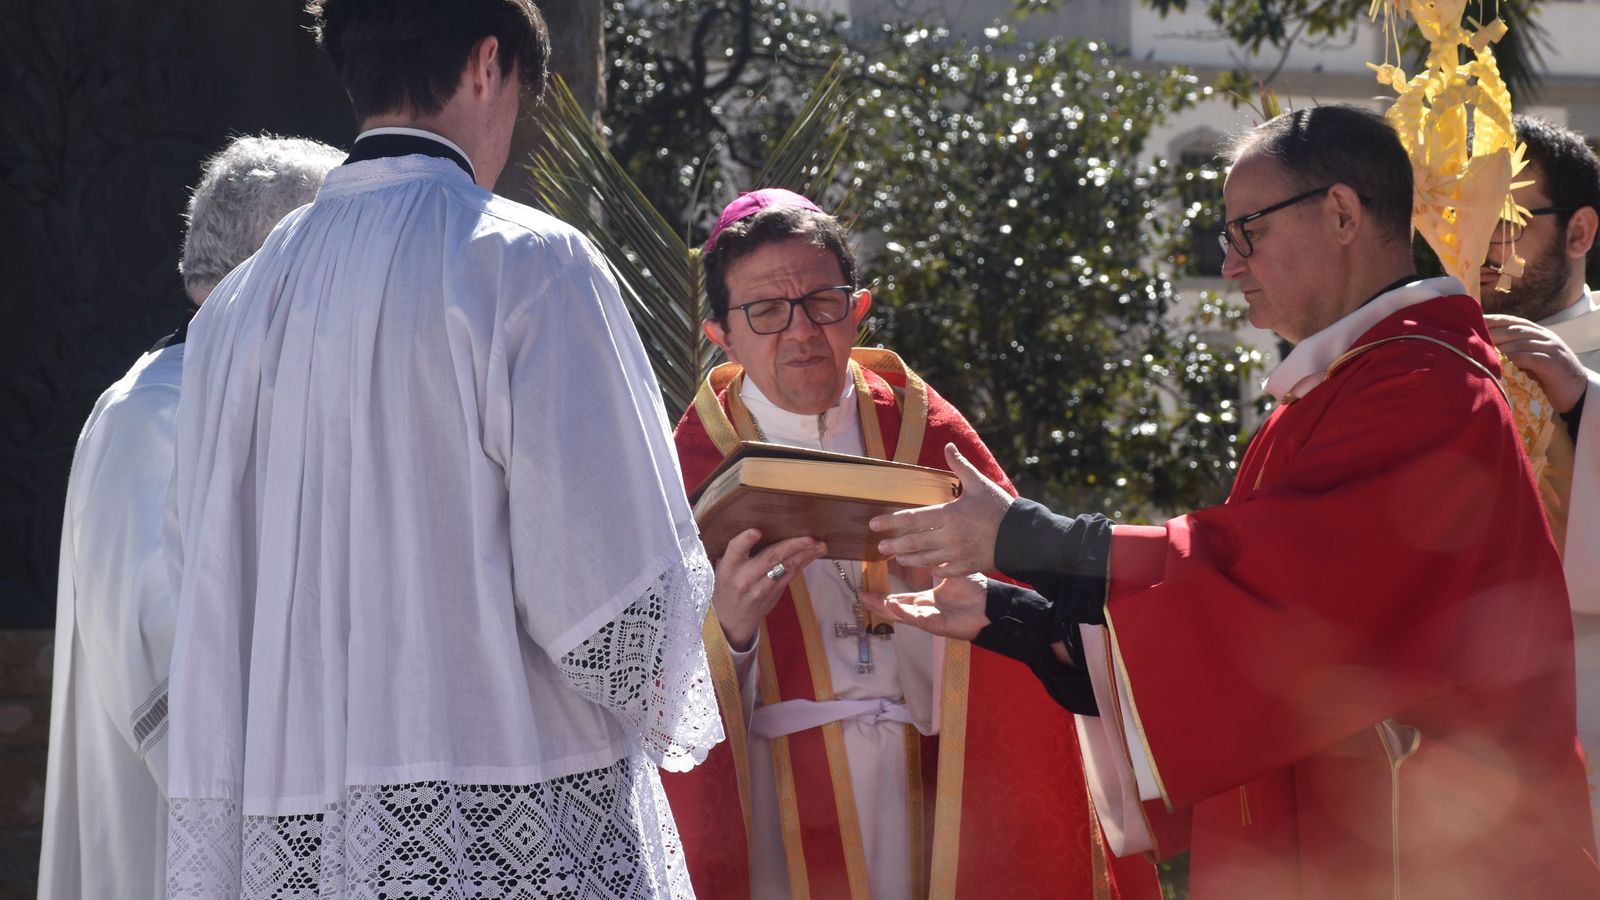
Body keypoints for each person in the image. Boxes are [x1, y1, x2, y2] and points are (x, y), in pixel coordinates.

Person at [865, 105, 1600, 898]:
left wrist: (1028, 537)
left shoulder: (1425, 387)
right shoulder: (1361, 379)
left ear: (1342, 213)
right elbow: (1246, 614)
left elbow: (1264, 583)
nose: (1230, 263)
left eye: (1249, 230)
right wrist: (1020, 618)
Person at [161, 2, 721, 897]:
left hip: (298, 822)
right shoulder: (529, 264)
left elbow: (201, 571)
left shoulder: (235, 310)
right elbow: (611, 608)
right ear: (487, 65)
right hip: (511, 815)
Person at [661, 189, 1159, 899]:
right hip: (770, 803)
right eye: (767, 311)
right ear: (722, 335)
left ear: (857, 309)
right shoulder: (686, 469)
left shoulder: (928, 436)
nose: (800, 332)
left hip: (928, 791)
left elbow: (1019, 627)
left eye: (822, 302)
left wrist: (962, 615)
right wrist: (729, 632)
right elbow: (641, 677)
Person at [37, 134, 343, 900]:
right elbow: (169, 688)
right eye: (336, 257)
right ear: (274, 262)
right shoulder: (150, 418)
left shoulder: (241, 398)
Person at [1481, 113, 1600, 841]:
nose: (1480, 246)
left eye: (1508, 222)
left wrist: (1583, 399)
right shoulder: (1427, 356)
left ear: (1579, 232)